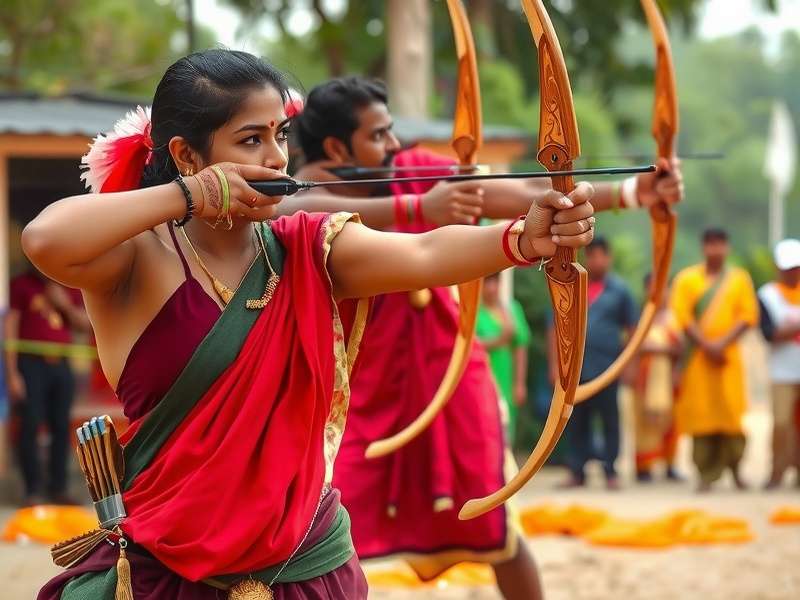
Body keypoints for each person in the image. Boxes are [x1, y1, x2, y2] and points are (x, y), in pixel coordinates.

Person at [25, 50, 595, 600]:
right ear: (187, 154)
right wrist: (186, 196)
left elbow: (424, 254)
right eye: (251, 139)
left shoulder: (304, 248)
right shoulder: (136, 257)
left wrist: (523, 239)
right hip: (167, 562)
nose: (277, 157)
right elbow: (45, 238)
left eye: (280, 135)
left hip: (306, 562)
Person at [288, 76, 682, 600]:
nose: (393, 144)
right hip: (359, 392)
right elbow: (297, 205)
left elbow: (512, 194)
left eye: (390, 131)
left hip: (449, 374)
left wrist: (631, 192)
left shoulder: (409, 170)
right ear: (338, 149)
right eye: (377, 136)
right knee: (318, 536)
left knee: (496, 524)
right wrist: (417, 210)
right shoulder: (301, 196)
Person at [670, 228, 758, 492]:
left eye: (720, 244)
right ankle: (705, 475)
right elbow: (682, 317)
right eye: (710, 244)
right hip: (698, 360)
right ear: (703, 247)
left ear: (727, 247)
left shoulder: (739, 279)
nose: (715, 249)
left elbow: (748, 316)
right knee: (702, 416)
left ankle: (737, 471)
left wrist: (721, 344)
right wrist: (708, 346)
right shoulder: (687, 279)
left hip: (728, 359)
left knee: (731, 414)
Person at [551, 236, 637, 490]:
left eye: (601, 255)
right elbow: (554, 325)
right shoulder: (573, 284)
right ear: (586, 257)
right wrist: (555, 365)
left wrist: (629, 364)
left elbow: (632, 328)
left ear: (609, 258)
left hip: (608, 368)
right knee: (575, 419)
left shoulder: (620, 291)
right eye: (592, 255)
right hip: (575, 368)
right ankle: (577, 471)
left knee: (610, 420)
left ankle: (610, 471)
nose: (597, 260)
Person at [6, 266, 90, 506]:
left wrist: (64, 305)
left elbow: (85, 325)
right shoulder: (21, 284)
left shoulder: (69, 284)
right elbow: (11, 327)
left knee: (61, 426)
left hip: (61, 363)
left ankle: (59, 488)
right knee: (31, 423)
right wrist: (12, 374)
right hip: (30, 364)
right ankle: (32, 490)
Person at [758, 238, 800, 489]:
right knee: (782, 424)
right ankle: (777, 471)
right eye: (788, 268)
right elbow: (769, 333)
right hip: (782, 372)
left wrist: (787, 329)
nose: (792, 272)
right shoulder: (767, 295)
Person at [632, 273, 683, 482]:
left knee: (670, 421)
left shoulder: (675, 318)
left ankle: (670, 464)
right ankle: (644, 467)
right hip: (645, 376)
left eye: (663, 287)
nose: (659, 293)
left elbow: (681, 348)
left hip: (668, 376)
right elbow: (633, 346)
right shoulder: (641, 317)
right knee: (644, 421)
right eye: (654, 287)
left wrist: (676, 367)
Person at [476, 272, 532, 444]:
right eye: (487, 283)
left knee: (506, 428)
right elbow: (470, 345)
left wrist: (520, 383)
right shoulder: (475, 311)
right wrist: (499, 340)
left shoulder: (512, 309)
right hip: (482, 378)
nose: (492, 288)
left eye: (495, 282)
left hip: (506, 378)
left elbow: (521, 346)